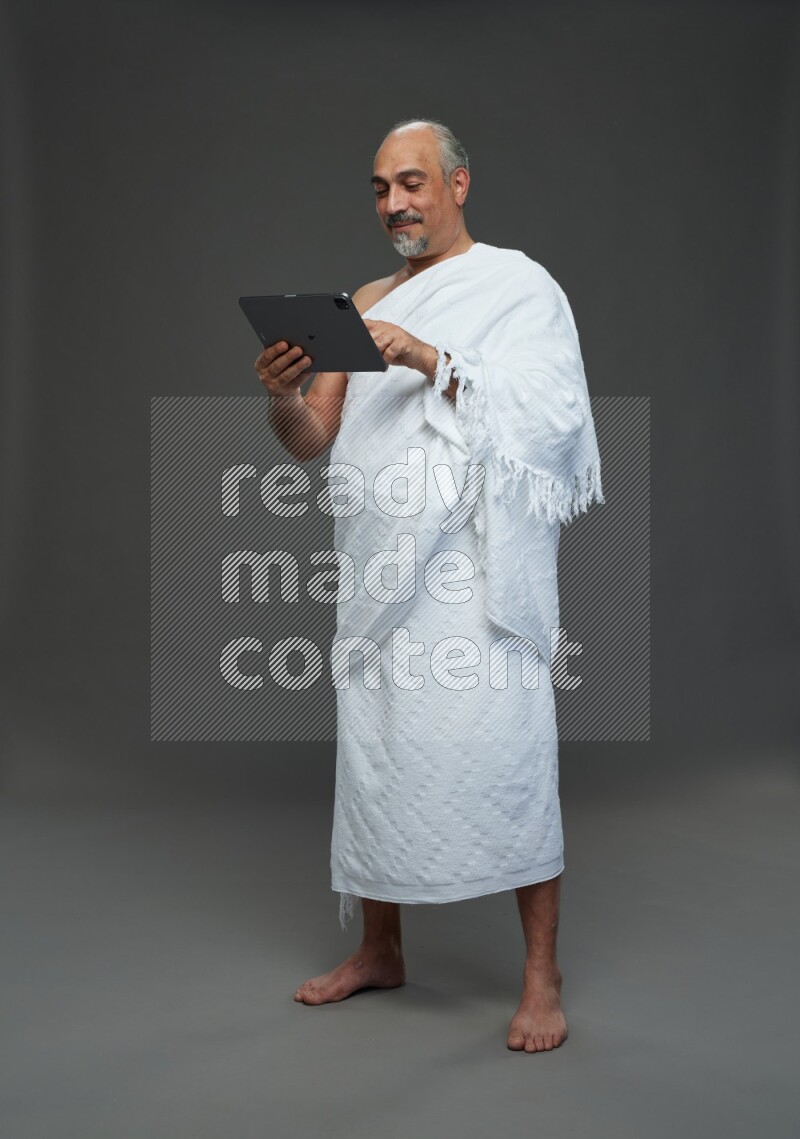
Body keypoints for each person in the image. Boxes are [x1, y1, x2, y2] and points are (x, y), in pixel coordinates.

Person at [255, 118, 603, 1053]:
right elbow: (310, 443)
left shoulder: (517, 286)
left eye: (411, 183)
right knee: (378, 751)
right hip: (376, 566)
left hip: (471, 569)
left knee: (508, 752)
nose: (394, 204)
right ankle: (380, 948)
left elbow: (555, 415)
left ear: (457, 184)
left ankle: (541, 975)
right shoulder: (357, 300)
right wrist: (285, 392)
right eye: (378, 188)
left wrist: (427, 356)